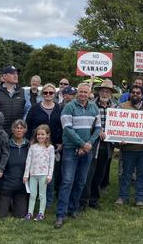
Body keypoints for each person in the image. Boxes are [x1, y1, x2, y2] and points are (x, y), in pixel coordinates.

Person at [54, 83, 101, 229]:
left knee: (81, 181)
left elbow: (98, 128)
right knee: (68, 181)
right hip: (70, 149)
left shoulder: (94, 108)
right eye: (80, 92)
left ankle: (72, 209)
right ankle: (60, 214)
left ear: (90, 93)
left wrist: (89, 144)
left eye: (85, 92)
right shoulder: (69, 107)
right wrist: (81, 144)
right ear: (77, 93)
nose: (83, 94)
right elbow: (67, 129)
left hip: (87, 150)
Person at [80, 80, 118, 210]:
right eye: (103, 91)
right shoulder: (90, 106)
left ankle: (94, 200)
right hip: (92, 142)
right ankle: (83, 200)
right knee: (88, 172)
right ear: (99, 92)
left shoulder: (116, 107)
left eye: (108, 91)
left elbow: (120, 125)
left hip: (107, 144)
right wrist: (98, 130)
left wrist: (119, 136)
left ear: (111, 94)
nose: (105, 93)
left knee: (100, 174)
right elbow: (85, 122)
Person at [25, 83, 63, 208]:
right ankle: (33, 198)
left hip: (54, 146)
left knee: (50, 174)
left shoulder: (59, 108)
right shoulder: (35, 108)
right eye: (45, 92)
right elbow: (28, 125)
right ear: (42, 94)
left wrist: (61, 142)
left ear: (55, 94)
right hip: (37, 146)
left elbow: (63, 126)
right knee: (36, 172)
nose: (48, 95)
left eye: (51, 93)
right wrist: (31, 140)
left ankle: (48, 201)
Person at [116, 85, 143, 207]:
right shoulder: (122, 107)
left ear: (142, 95)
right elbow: (116, 125)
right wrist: (118, 138)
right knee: (126, 173)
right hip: (128, 148)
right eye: (133, 92)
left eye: (138, 93)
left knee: (142, 174)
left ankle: (140, 198)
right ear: (130, 94)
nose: (135, 94)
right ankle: (122, 196)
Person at [0, 65, 31, 135]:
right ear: (4, 76)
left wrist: (23, 122)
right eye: (12, 73)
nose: (16, 76)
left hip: (18, 134)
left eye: (16, 74)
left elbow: (28, 109)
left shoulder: (23, 92)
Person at [0, 119, 30, 219]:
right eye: (16, 128)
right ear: (12, 130)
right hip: (6, 185)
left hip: (22, 186)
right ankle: (6, 201)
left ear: (25, 130)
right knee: (1, 214)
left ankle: (14, 202)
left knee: (20, 215)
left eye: (21, 128)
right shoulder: (6, 144)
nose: (19, 130)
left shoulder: (29, 146)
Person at [24, 124, 55, 221]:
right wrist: (26, 175)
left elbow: (51, 162)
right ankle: (30, 213)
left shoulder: (50, 148)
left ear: (47, 135)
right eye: (38, 134)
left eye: (42, 134)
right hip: (33, 174)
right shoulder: (33, 147)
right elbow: (28, 161)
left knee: (42, 195)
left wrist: (49, 175)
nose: (40, 136)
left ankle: (41, 213)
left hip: (44, 175)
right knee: (32, 194)